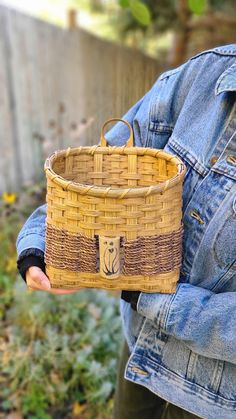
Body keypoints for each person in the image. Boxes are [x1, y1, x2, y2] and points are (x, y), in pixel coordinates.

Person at [16, 44, 236, 419]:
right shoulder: (206, 75)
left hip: (214, 397)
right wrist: (41, 240)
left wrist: (148, 296)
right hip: (141, 345)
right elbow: (103, 172)